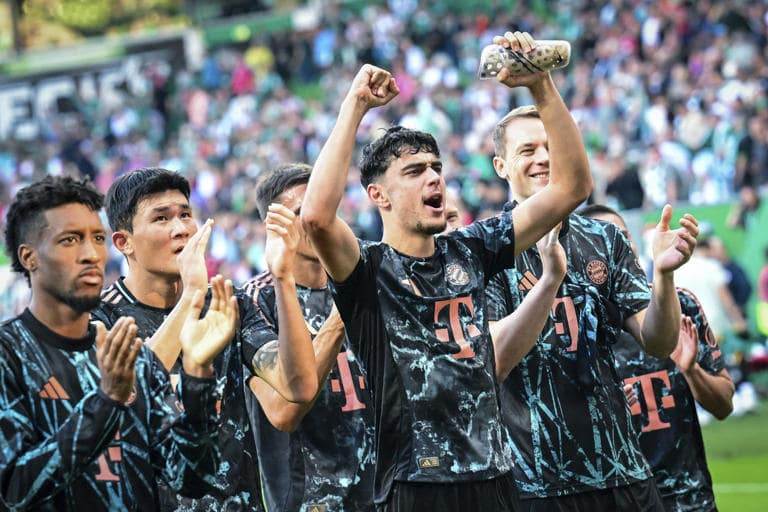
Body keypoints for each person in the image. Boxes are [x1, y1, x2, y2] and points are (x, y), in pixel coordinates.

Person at [301, 31, 593, 511]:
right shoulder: (367, 271)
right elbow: (315, 218)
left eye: (436, 167)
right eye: (415, 171)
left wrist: (541, 86)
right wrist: (354, 106)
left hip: (495, 476)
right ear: (379, 196)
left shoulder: (471, 249)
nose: (434, 176)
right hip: (417, 485)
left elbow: (574, 186)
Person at [486, 102, 699, 508]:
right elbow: (495, 359)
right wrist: (548, 283)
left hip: (624, 472)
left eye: (550, 146)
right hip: (540, 485)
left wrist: (665, 276)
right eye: (527, 150)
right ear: (501, 167)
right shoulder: (485, 250)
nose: (543, 158)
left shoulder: (605, 239)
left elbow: (658, 341)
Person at [0, 176, 236, 510]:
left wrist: (197, 378)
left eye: (96, 239)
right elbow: (13, 491)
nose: (90, 254)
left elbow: (190, 479)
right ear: (29, 258)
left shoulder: (134, 356)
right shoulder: (10, 353)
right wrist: (105, 402)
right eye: (70, 240)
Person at [93, 168, 319, 511]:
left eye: (185, 214)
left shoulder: (228, 303)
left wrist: (283, 277)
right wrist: (192, 296)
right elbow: (129, 400)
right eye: (161, 218)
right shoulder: (102, 319)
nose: (182, 228)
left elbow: (299, 387)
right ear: (124, 242)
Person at [580, 204, 734, 512]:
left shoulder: (682, 306)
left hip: (690, 501)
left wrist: (691, 371)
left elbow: (724, 406)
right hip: (620, 502)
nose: (615, 246)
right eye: (602, 239)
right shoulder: (571, 330)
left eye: (622, 236)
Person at [241, 163, 375, 511]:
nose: (319, 219)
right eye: (303, 211)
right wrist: (345, 304)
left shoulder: (370, 278)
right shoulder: (254, 302)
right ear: (274, 225)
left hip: (383, 494)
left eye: (326, 207)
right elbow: (286, 412)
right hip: (309, 500)